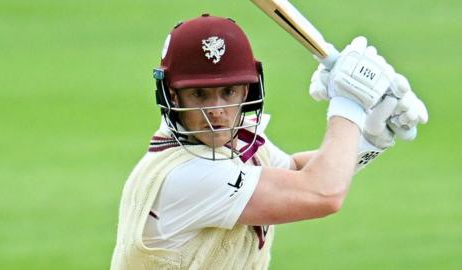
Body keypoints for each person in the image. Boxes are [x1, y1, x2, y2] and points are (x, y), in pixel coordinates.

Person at [110, 14, 428, 270]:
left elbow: (297, 173)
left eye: (228, 92)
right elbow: (322, 192)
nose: (217, 110)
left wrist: (368, 138)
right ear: (173, 95)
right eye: (199, 94)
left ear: (247, 91)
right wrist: (350, 103)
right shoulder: (186, 174)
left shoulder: (234, 144)